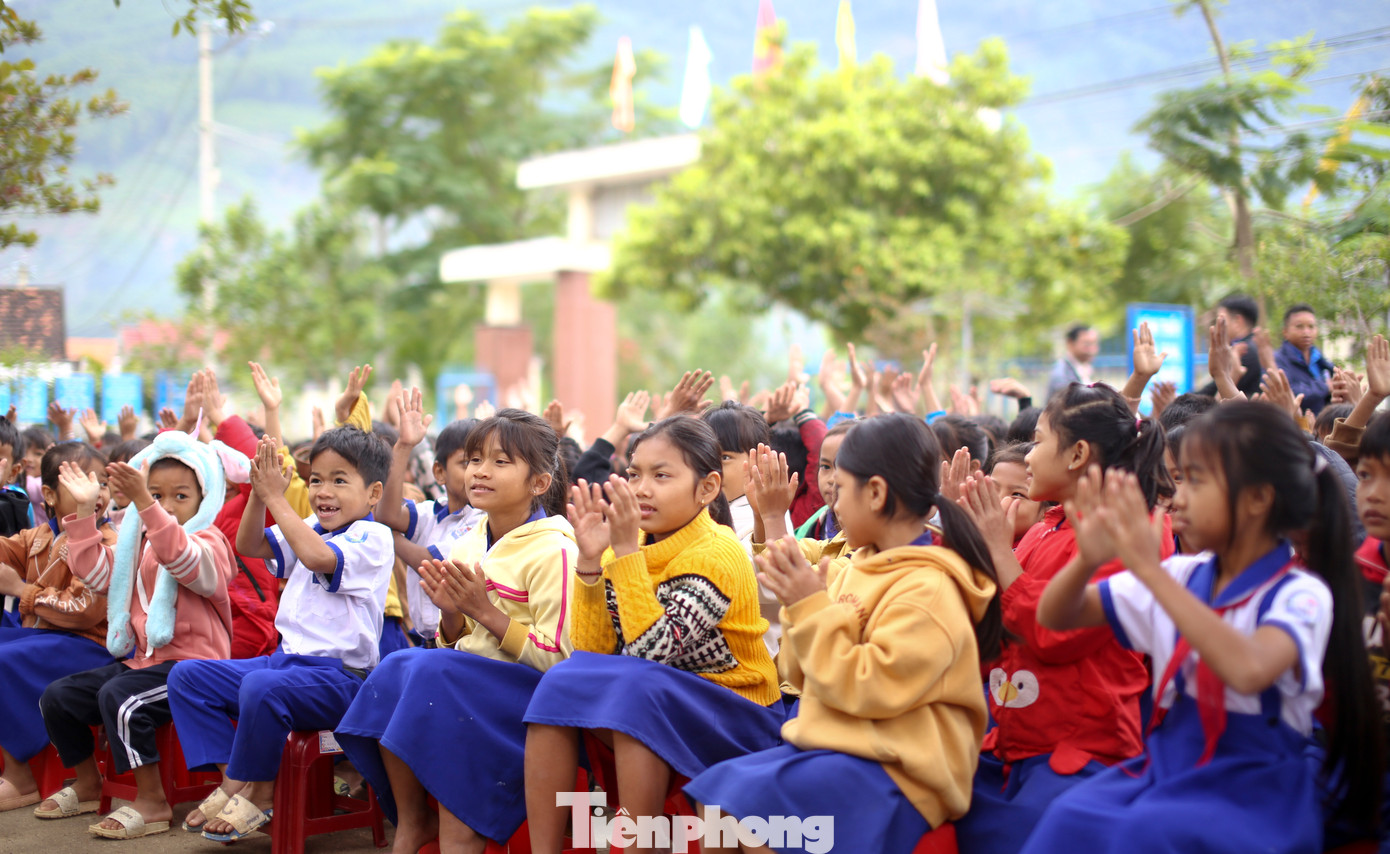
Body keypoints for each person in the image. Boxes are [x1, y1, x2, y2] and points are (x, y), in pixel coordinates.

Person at [1026, 401, 1381, 852]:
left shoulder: (1299, 594)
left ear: (1257, 498)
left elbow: (1249, 669)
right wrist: (1088, 560)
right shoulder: (1183, 577)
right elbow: (1056, 616)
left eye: (1196, 480)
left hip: (1255, 785)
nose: (1180, 496)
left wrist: (1149, 572)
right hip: (1172, 764)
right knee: (1070, 817)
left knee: (1146, 832)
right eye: (1178, 479)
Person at [685, 414, 1003, 854]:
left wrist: (809, 604)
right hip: (841, 742)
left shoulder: (929, 588)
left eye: (843, 491)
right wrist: (803, 604)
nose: (833, 506)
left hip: (901, 768)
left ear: (875, 493)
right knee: (717, 797)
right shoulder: (858, 564)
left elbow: (867, 689)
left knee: (742, 814)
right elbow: (801, 670)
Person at [522, 416, 784, 854]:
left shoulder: (718, 552)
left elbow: (653, 653)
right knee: (562, 680)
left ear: (707, 488)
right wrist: (590, 563)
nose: (641, 489)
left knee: (636, 686)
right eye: (634, 474)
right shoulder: (625, 543)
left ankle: (635, 845)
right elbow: (592, 652)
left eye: (661, 475)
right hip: (661, 698)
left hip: (738, 711)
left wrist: (624, 554)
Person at [336, 408, 576, 854]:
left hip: (526, 697)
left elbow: (559, 661)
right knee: (396, 668)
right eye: (475, 459)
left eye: (501, 462)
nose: (479, 472)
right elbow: (457, 641)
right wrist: (451, 616)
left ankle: (456, 830)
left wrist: (485, 612)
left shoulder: (555, 550)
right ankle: (411, 821)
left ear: (539, 483)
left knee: (428, 672)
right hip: (468, 682)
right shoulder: (470, 539)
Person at [951, 383, 1174, 854]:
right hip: (1012, 740)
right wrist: (962, 531)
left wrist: (995, 545)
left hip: (1083, 751)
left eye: (1039, 440)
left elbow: (1053, 635)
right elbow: (994, 612)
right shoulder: (1049, 525)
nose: (1029, 456)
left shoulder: (1129, 529)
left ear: (1076, 454)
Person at [166, 426, 394, 841]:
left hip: (341, 679)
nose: (324, 491)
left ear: (374, 493)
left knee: (261, 686)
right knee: (186, 676)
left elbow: (317, 557)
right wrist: (258, 492)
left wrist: (276, 498)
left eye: (340, 480)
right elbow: (250, 543)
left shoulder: (372, 536)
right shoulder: (312, 524)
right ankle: (234, 781)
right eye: (317, 480)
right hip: (284, 665)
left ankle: (260, 795)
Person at [38, 432, 237, 839]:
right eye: (156, 494)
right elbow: (96, 575)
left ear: (206, 498)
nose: (166, 506)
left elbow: (184, 561)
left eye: (180, 496)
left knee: (122, 699)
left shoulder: (210, 542)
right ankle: (88, 783)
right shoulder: (139, 543)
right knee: (58, 697)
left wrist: (144, 503)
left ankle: (152, 801)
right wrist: (83, 510)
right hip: (142, 662)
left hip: (193, 670)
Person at [0, 444, 117, 812]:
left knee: (4, 658)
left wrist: (21, 590)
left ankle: (20, 778)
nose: (93, 492)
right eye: (78, 481)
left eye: (98, 481)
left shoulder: (110, 541)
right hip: (46, 641)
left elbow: (85, 612)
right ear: (48, 495)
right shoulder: (35, 538)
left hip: (91, 644)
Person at [373, 388, 484, 648]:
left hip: (460, 644)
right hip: (427, 641)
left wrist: (387, 533)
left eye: (483, 461)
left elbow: (430, 562)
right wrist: (404, 445)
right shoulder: (431, 513)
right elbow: (387, 513)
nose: (477, 472)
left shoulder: (484, 520)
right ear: (439, 472)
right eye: (467, 462)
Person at [1196, 295, 1264, 398]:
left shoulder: (1245, 351)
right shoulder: (1251, 347)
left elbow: (1216, 387)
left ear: (1237, 321)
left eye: (1221, 320)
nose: (1217, 326)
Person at [1274, 304, 1335, 415]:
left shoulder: (1320, 359)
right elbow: (1289, 392)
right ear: (1285, 332)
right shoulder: (1278, 360)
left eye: (1311, 327)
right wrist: (1325, 386)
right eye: (1299, 326)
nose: (1306, 332)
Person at [1044, 325, 1099, 402]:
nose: (1092, 349)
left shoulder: (1084, 368)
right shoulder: (1062, 374)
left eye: (1094, 343)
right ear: (1070, 343)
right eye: (1087, 344)